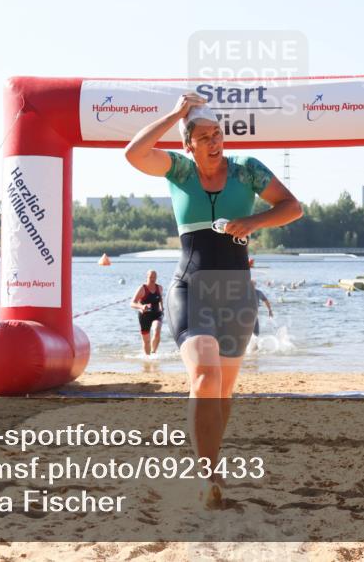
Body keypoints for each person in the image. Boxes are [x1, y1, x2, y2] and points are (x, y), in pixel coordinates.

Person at [124, 92, 302, 508]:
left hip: (237, 292)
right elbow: (134, 153)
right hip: (191, 288)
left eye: (217, 134)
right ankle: (208, 479)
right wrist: (175, 113)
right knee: (204, 373)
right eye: (203, 136)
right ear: (188, 144)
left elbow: (292, 207)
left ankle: (211, 467)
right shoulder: (179, 170)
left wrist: (252, 221)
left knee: (221, 392)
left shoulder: (248, 171)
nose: (214, 141)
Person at [130, 270, 164, 355]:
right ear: (147, 277)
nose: (153, 279)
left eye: (154, 277)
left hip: (156, 314)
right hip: (145, 316)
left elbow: (160, 299)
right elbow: (132, 303)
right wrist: (141, 307)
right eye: (151, 277)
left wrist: (161, 307)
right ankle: (148, 358)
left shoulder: (159, 288)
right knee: (146, 341)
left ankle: (154, 352)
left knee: (157, 330)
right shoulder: (142, 288)